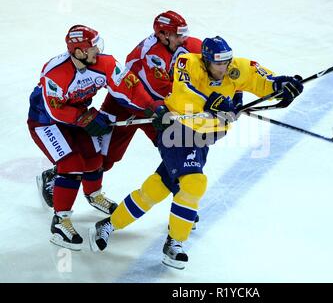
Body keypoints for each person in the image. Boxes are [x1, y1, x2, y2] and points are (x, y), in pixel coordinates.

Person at [88, 36, 303, 269]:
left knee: (157, 188)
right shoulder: (187, 63)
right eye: (219, 63)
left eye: (227, 61)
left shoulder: (237, 68)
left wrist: (281, 85)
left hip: (202, 138)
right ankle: (174, 243)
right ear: (206, 61)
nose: (224, 67)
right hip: (176, 131)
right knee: (194, 183)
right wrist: (213, 101)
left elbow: (262, 79)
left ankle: (109, 224)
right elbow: (183, 91)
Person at [36, 12, 204, 225]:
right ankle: (57, 174)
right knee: (102, 158)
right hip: (124, 105)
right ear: (163, 34)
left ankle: (183, 203)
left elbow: (215, 70)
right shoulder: (148, 53)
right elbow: (137, 88)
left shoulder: (193, 47)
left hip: (156, 107)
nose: (184, 39)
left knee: (178, 147)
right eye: (178, 34)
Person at [27, 24, 161, 250]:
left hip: (78, 116)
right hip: (45, 121)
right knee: (71, 164)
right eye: (92, 48)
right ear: (78, 52)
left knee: (94, 156)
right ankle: (60, 221)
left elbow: (129, 86)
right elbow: (55, 110)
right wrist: (85, 119)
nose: (97, 51)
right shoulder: (55, 72)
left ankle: (93, 194)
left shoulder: (105, 63)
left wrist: (151, 107)